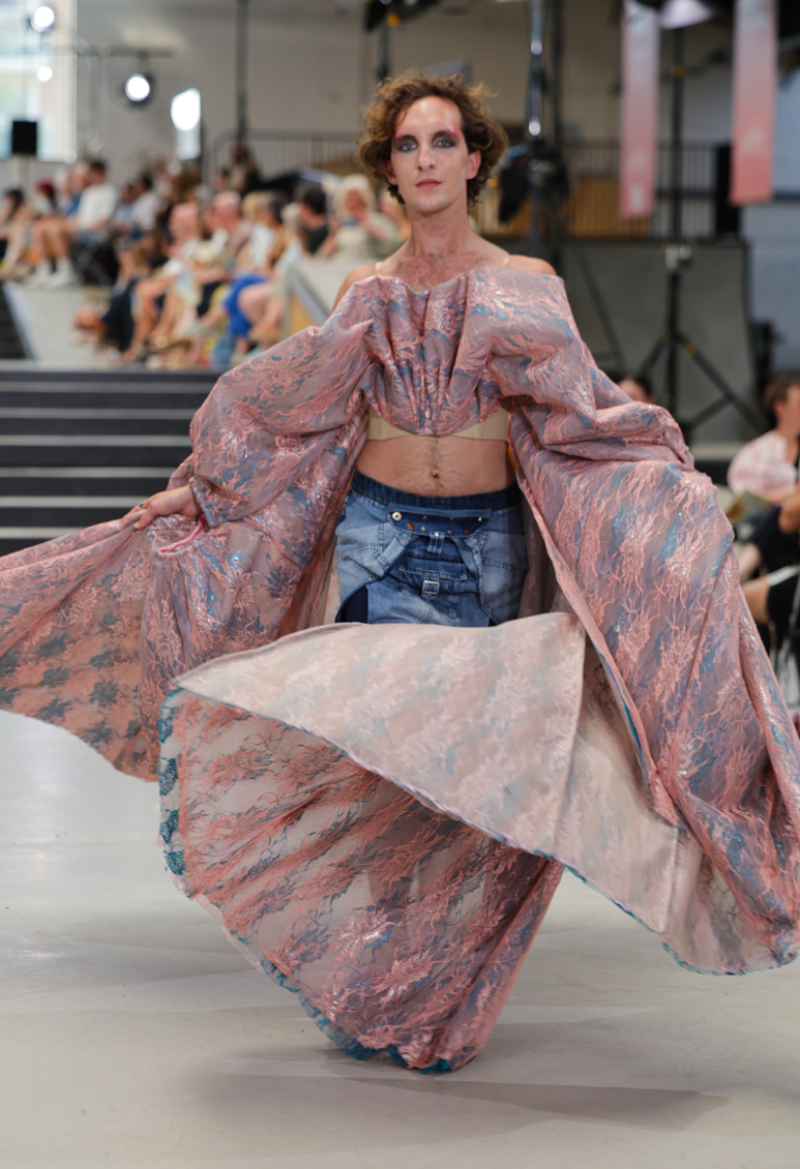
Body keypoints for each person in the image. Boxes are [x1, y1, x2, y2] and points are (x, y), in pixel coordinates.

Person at [1, 72, 800, 1077]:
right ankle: (374, 970)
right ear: (389, 168)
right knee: (382, 761)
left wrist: (670, 484)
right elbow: (299, 416)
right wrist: (200, 490)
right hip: (379, 535)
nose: (426, 159)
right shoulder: (364, 290)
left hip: (484, 546)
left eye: (443, 141)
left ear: (475, 159)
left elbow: (579, 416)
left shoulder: (527, 282)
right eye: (408, 145)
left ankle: (441, 980)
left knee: (472, 774)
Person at [33, 159, 117, 288]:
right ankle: (45, 268)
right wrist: (67, 222)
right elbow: (81, 216)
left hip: (96, 233)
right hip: (81, 228)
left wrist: (78, 225)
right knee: (41, 228)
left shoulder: (109, 191)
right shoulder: (89, 192)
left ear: (101, 173)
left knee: (56, 230)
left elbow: (103, 221)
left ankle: (66, 271)